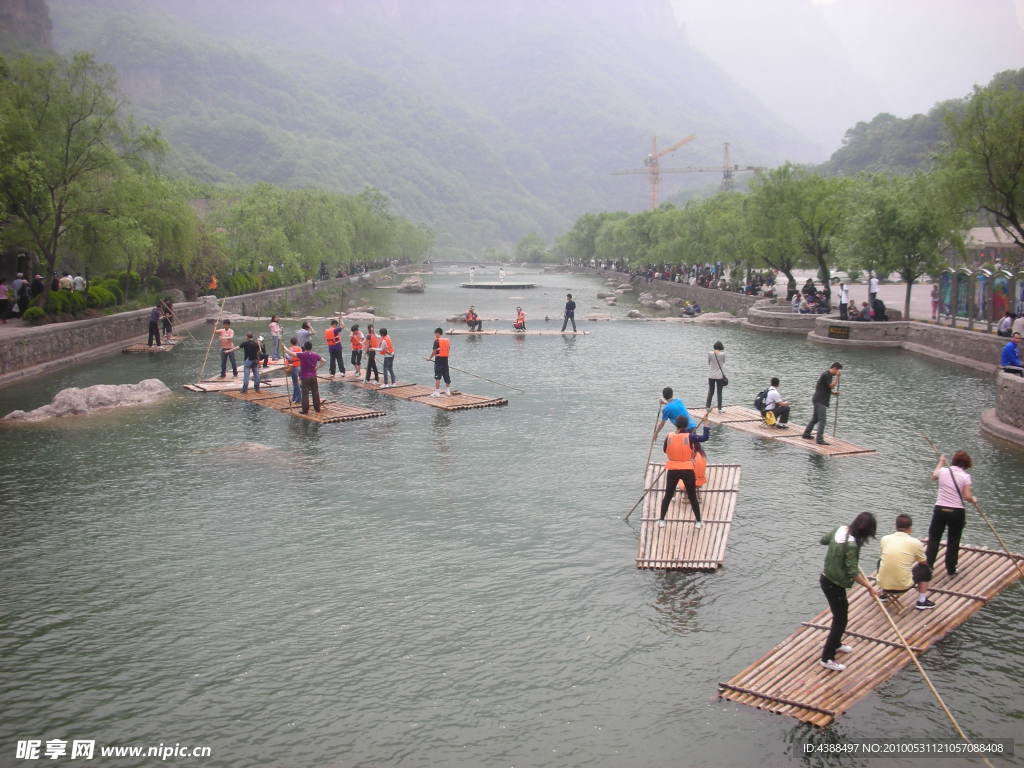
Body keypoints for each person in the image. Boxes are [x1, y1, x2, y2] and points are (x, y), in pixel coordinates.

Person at [818, 512, 881, 671]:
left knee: (842, 612)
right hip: (834, 584)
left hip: (827, 579)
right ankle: (827, 658)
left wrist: (838, 552)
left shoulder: (840, 529)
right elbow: (853, 573)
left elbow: (823, 540)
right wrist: (869, 587)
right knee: (840, 620)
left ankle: (837, 643)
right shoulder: (852, 546)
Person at [926, 451, 976, 576]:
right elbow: (967, 496)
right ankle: (951, 569)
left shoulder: (943, 471)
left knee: (934, 538)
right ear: (966, 464)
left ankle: (928, 567)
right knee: (953, 540)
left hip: (940, 509)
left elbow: (934, 476)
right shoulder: (965, 476)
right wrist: (973, 499)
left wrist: (941, 461)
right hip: (956, 511)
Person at [658, 413, 711, 529]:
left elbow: (665, 450)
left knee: (668, 495)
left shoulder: (669, 436)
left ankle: (661, 520)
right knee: (692, 496)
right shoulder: (690, 436)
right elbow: (705, 437)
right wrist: (706, 423)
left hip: (672, 470)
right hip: (687, 470)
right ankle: (698, 521)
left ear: (676, 425)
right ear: (686, 426)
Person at [877, 514, 935, 610]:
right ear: (910, 528)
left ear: (895, 526)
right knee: (925, 568)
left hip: (883, 584)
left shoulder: (885, 539)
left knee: (881, 560)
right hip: (902, 587)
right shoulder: (915, 542)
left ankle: (883, 593)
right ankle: (922, 601)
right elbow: (923, 562)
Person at [802, 362, 842, 445]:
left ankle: (806, 434)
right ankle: (819, 439)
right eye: (838, 370)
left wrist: (833, 393)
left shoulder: (828, 375)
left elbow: (824, 387)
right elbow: (831, 386)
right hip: (820, 401)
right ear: (834, 368)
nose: (838, 372)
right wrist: (837, 378)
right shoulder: (827, 375)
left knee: (815, 419)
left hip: (818, 399)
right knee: (822, 420)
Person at [297, 341, 324, 414]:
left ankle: (305, 410)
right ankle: (317, 408)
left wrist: (284, 348)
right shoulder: (315, 354)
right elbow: (324, 361)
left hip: (305, 377)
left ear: (304, 347)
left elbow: (291, 354)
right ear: (311, 347)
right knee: (315, 392)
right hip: (313, 376)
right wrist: (317, 367)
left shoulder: (302, 354)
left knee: (305, 394)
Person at [427, 327, 452, 397]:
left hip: (438, 361)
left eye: (435, 334)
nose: (435, 335)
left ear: (438, 333)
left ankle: (437, 392)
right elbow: (448, 349)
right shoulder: (447, 341)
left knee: (437, 377)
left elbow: (434, 352)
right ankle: (448, 391)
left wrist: (429, 358)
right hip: (445, 361)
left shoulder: (436, 341)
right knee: (446, 375)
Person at [706, 341, 727, 411]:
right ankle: (719, 409)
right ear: (721, 347)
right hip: (719, 376)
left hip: (711, 375)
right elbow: (723, 362)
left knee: (711, 391)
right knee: (719, 392)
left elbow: (709, 363)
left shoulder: (709, 353)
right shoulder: (723, 354)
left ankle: (708, 407)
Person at [284, 336, 302, 403]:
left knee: (295, 383)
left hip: (294, 366)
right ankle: (294, 397)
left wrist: (286, 355)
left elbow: (290, 358)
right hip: (300, 366)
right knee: (297, 383)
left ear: (291, 342)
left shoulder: (290, 349)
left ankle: (298, 399)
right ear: (297, 342)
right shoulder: (300, 348)